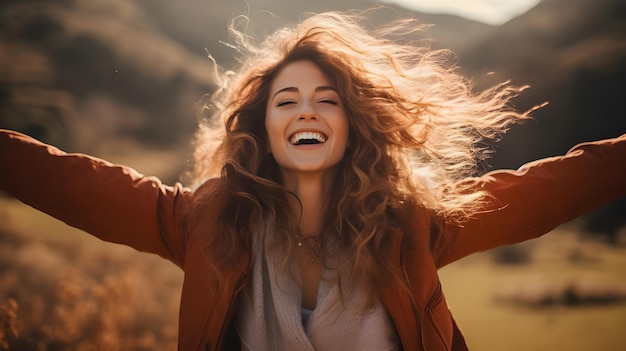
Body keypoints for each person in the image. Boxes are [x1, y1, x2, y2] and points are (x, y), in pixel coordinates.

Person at [1, 10, 625, 351]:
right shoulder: (206, 220)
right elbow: (70, 182)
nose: (306, 111)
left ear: (352, 125)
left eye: (327, 100)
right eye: (286, 101)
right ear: (262, 128)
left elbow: (551, 187)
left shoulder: (411, 222)